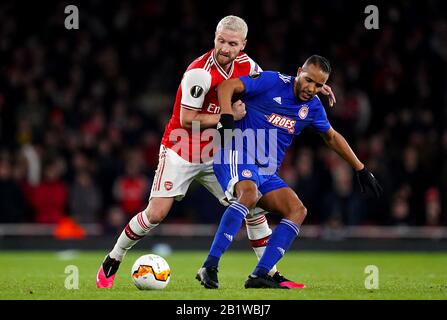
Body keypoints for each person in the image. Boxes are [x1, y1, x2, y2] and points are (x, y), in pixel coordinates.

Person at [96, 16, 335, 289]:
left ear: (242, 45)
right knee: (156, 214)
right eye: (221, 40)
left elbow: (277, 84)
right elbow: (186, 120)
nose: (225, 48)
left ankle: (269, 273)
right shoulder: (198, 72)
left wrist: (312, 85)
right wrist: (227, 115)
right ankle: (115, 256)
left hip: (218, 151)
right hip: (181, 148)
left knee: (253, 205)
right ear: (214, 38)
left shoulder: (248, 66)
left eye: (232, 43)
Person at [196, 55, 382, 289]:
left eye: (318, 85)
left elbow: (331, 137)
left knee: (297, 209)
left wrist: (360, 168)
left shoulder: (313, 107)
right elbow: (227, 85)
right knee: (249, 194)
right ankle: (210, 266)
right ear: (298, 72)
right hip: (235, 152)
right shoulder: (272, 81)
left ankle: (260, 275)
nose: (311, 88)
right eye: (308, 80)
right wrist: (226, 117)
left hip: (265, 170)